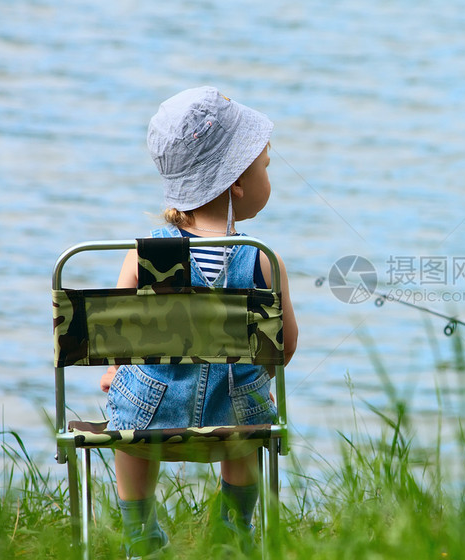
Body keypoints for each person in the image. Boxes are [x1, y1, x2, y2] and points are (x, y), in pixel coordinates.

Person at [99, 86, 298, 558]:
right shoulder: (262, 259)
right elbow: (285, 346)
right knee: (250, 417)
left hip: (148, 418)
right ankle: (234, 530)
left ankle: (140, 535)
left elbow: (111, 335)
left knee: (127, 422)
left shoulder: (145, 254)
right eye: (266, 169)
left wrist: (114, 371)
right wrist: (258, 376)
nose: (270, 178)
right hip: (233, 420)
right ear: (237, 185)